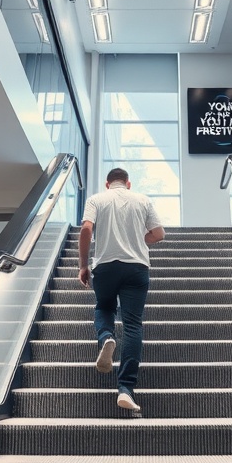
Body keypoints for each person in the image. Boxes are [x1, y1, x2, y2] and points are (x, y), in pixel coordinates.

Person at [78, 167, 165, 413]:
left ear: (107, 184)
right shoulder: (142, 200)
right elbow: (159, 234)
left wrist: (83, 265)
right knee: (133, 324)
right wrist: (137, 239)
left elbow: (86, 230)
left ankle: (106, 337)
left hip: (105, 266)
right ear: (128, 183)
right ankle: (126, 388)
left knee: (104, 308)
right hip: (136, 268)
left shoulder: (96, 199)